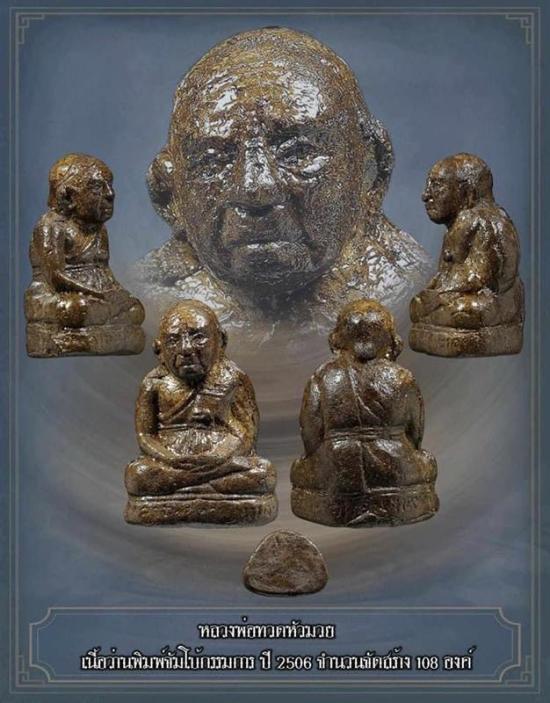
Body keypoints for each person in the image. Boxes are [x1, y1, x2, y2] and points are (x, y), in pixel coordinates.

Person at [133, 27, 431, 330]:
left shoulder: (421, 294)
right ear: (168, 195)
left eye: (298, 153)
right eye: (213, 160)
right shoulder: (141, 304)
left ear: (371, 170)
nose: (254, 188)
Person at [124, 300, 277, 525]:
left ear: (220, 341)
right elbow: (145, 436)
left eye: (198, 338)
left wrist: (220, 451)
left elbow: (247, 433)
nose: (186, 349)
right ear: (159, 349)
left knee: (262, 472)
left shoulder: (232, 379)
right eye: (173, 341)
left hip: (220, 460)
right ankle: (205, 488)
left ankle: (185, 488)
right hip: (173, 462)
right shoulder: (154, 383)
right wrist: (170, 459)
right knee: (139, 475)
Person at [291, 299, 438, 527]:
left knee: (300, 469)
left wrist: (318, 458)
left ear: (338, 338)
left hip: (338, 469)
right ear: (389, 339)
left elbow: (310, 434)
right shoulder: (402, 378)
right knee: (426, 462)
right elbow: (416, 434)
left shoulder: (323, 377)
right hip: (395, 466)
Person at [24, 153, 144, 357]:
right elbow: (55, 277)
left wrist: (118, 294)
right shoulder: (51, 226)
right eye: (97, 187)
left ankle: (100, 333)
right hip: (59, 296)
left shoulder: (99, 229)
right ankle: (72, 339)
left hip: (97, 295)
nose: (110, 194)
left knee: (135, 310)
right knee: (78, 309)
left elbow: (104, 270)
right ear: (69, 197)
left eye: (109, 185)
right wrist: (99, 295)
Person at [409, 153, 524, 356]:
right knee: (419, 306)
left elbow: (478, 279)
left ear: (465, 191)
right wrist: (434, 294)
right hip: (463, 296)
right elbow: (446, 275)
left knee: (462, 311)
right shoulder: (458, 226)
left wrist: (437, 296)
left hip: (496, 304)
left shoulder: (480, 221)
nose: (425, 195)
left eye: (437, 185)